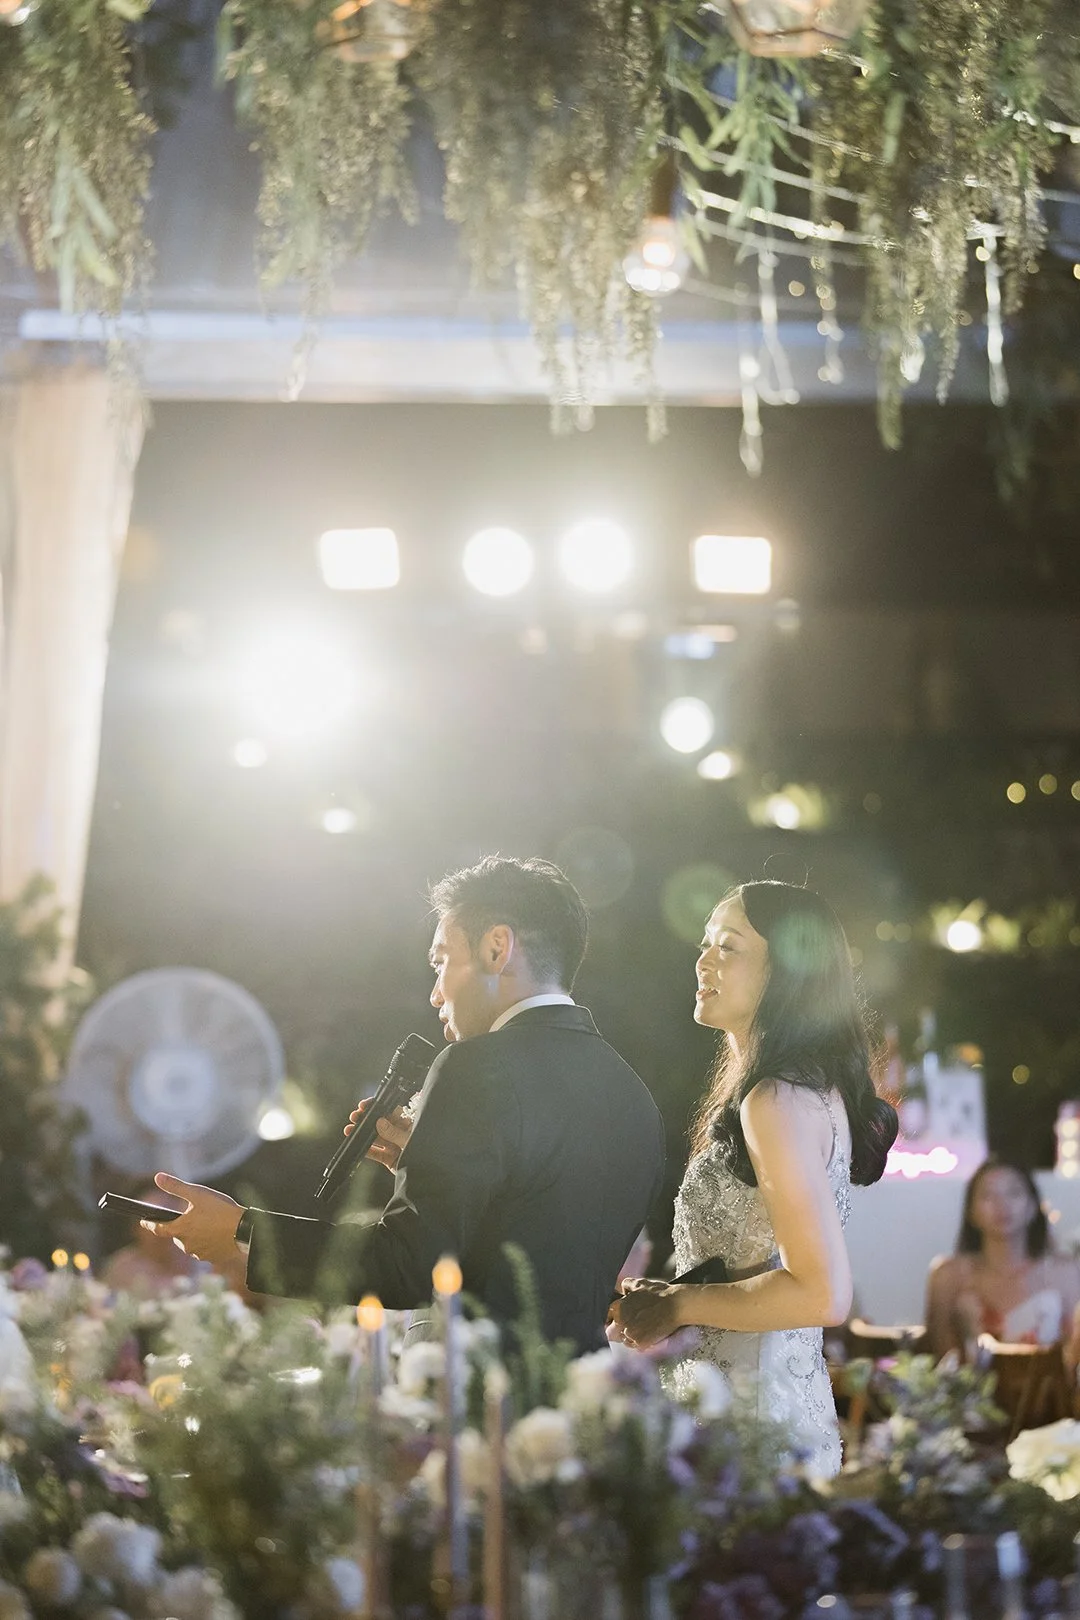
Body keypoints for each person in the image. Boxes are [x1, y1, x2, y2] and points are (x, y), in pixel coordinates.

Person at [145, 856, 665, 1352]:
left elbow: (407, 1267)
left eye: (442, 962)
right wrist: (434, 1163)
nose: (436, 994)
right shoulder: (632, 1094)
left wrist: (242, 1231)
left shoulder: (473, 1065)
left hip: (474, 1397)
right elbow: (540, 1231)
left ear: (496, 949)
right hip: (581, 1400)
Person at [612, 879, 898, 1477]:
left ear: (787, 974)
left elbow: (821, 1292)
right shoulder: (798, 1090)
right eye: (706, 943)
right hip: (746, 1404)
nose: (704, 959)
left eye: (730, 947)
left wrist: (680, 1304)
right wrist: (667, 1296)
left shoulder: (775, 1100)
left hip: (753, 1426)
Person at [925, 1157, 1080, 1363]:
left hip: (1051, 1392)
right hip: (973, 1392)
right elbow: (936, 1358)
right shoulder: (948, 1276)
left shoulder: (1064, 1271)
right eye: (988, 1195)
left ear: (1033, 1206)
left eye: (1014, 1193)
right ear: (971, 1211)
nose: (1002, 1205)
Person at [100, 1181, 205, 1296]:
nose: (161, 1227)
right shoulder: (121, 1269)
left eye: (167, 1217)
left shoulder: (203, 1259)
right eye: (151, 1220)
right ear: (135, 1227)